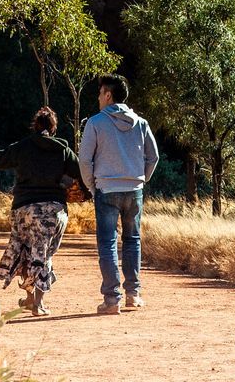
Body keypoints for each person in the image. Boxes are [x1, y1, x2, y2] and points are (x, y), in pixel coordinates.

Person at [0, 106, 81, 315]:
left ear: (35, 126)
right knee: (44, 254)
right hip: (53, 212)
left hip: (24, 210)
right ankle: (37, 304)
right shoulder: (63, 151)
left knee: (25, 252)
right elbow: (83, 177)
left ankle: (31, 299)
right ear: (54, 128)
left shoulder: (22, 147)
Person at [79, 73, 158, 314]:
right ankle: (133, 295)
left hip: (106, 188)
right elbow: (153, 157)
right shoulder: (141, 123)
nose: (98, 98)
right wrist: (141, 179)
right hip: (134, 190)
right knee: (133, 241)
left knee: (107, 243)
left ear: (108, 95)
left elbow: (84, 160)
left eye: (100, 93)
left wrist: (92, 185)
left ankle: (112, 299)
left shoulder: (95, 123)